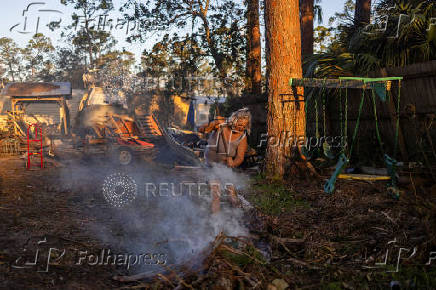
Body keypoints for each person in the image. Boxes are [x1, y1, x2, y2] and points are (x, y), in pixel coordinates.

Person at [198, 108, 251, 213]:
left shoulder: (242, 137)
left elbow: (240, 157)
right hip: (211, 166)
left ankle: (239, 217)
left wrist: (233, 163)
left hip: (225, 168)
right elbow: (201, 130)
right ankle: (216, 223)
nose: (241, 127)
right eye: (239, 124)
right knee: (216, 194)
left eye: (244, 125)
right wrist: (211, 124)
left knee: (232, 196)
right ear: (234, 120)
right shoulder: (221, 126)